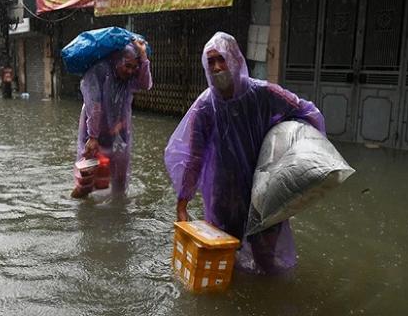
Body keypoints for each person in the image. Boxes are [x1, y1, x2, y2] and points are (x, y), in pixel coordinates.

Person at [164, 32, 325, 274]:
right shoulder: (205, 107)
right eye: (211, 62)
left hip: (265, 190)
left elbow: (307, 113)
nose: (218, 67)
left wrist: (304, 157)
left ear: (237, 60)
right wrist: (182, 202)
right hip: (224, 195)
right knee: (227, 259)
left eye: (222, 59)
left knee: (265, 257)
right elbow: (194, 158)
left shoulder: (264, 94)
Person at [73, 37, 152, 197]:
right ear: (117, 59)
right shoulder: (100, 70)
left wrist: (143, 57)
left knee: (120, 181)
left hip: (119, 132)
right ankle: (79, 211)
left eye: (134, 67)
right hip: (93, 133)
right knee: (87, 179)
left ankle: (118, 216)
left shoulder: (128, 78)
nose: (130, 71)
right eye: (127, 65)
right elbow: (94, 105)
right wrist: (93, 136)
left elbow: (145, 84)